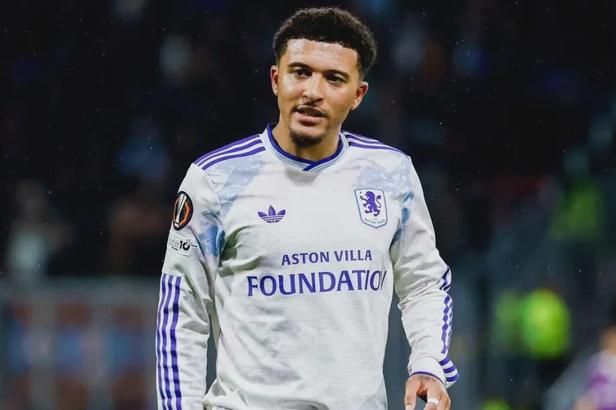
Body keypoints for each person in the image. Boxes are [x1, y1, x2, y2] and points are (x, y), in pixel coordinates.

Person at [155, 7, 457, 410]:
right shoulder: (216, 179)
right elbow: (182, 309)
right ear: (276, 79)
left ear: (358, 95)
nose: (313, 91)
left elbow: (424, 282)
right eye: (300, 72)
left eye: (334, 78)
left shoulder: (390, 174)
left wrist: (428, 364)